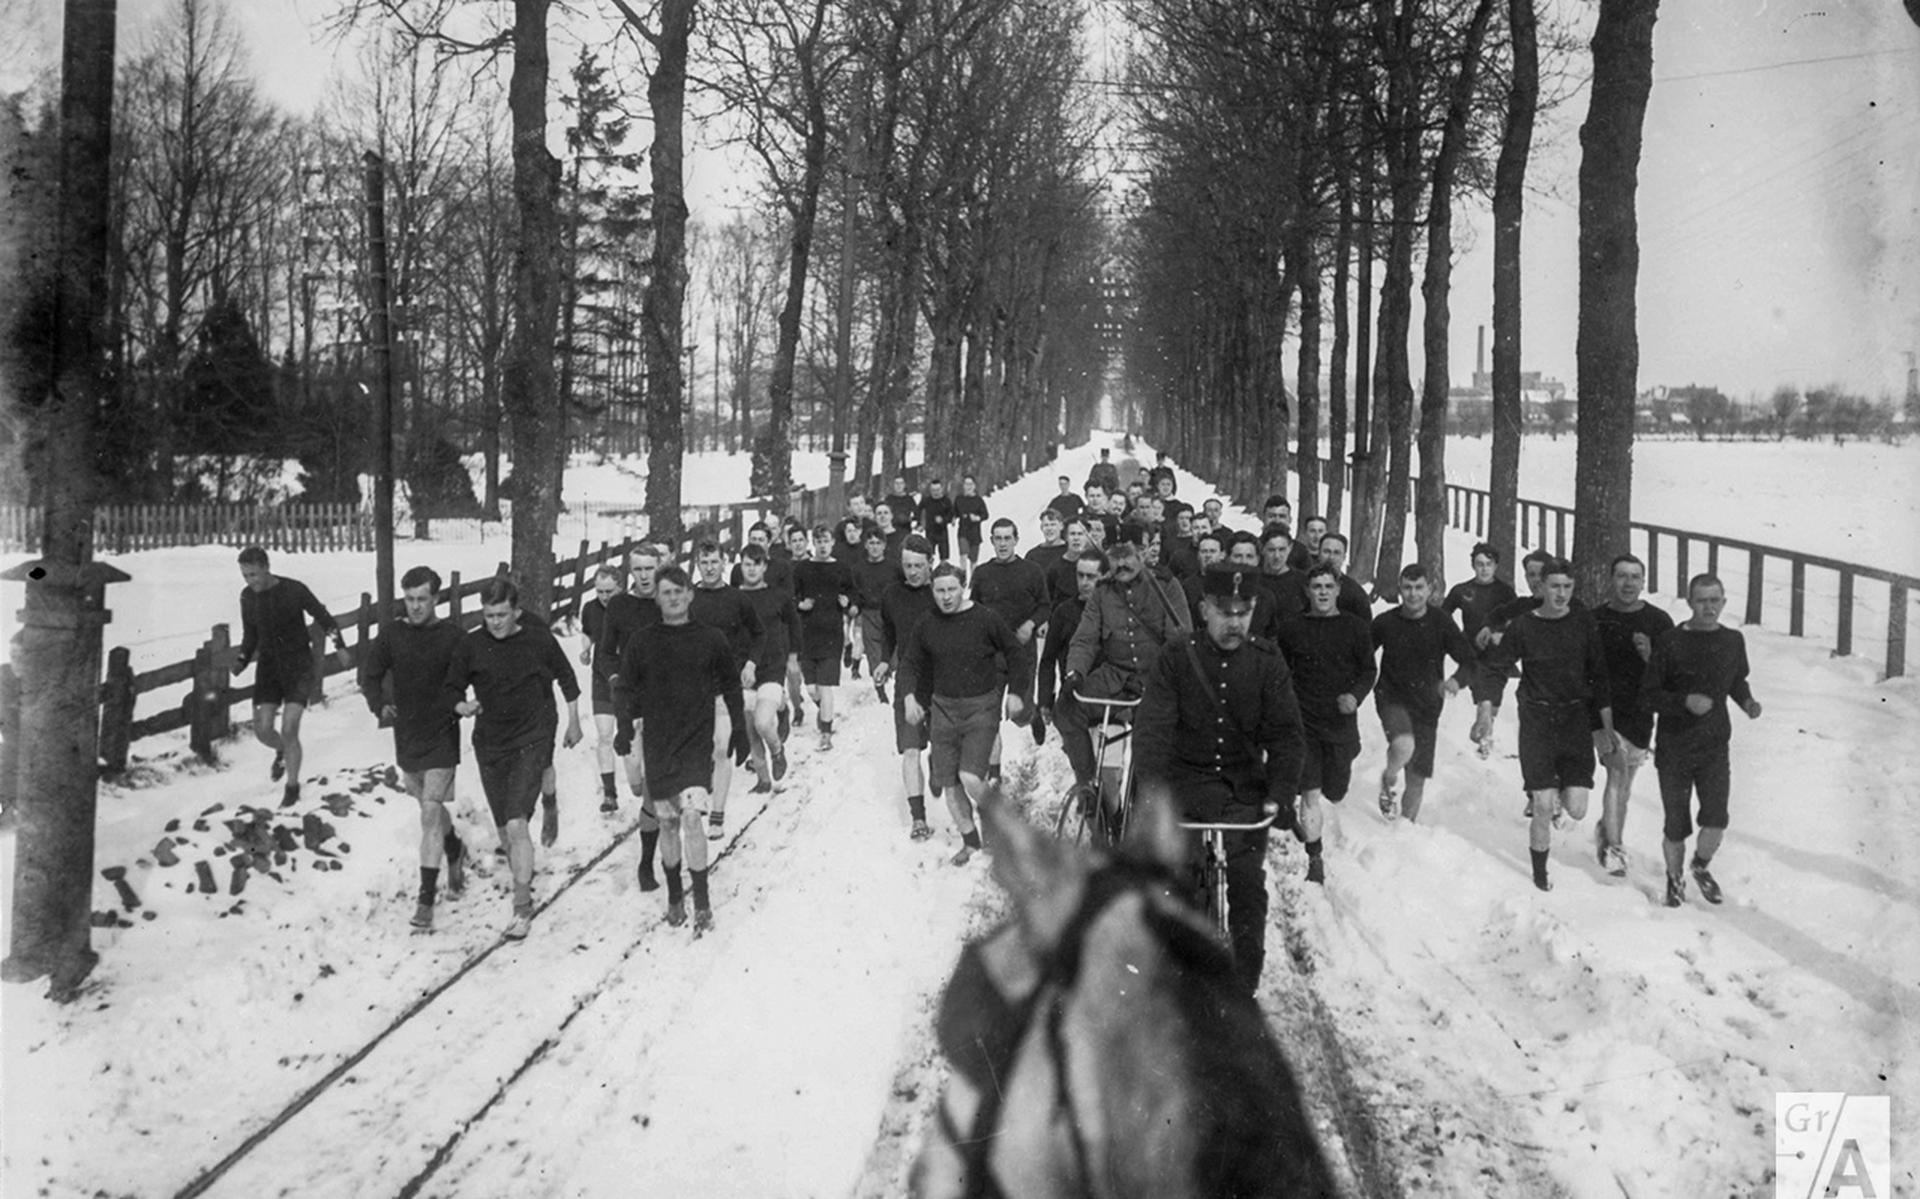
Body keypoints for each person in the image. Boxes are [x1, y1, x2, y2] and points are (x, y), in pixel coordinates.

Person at [1134, 567, 1305, 995]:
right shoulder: (1176, 657)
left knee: (1248, 883)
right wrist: (1153, 791)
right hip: (1186, 784)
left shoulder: (1267, 661)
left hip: (1243, 788)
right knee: (1181, 882)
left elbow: (1286, 734)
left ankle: (1244, 984)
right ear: (1203, 609)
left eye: (1243, 612)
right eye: (1225, 612)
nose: (1235, 623)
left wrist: (1281, 792)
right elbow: (1153, 730)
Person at [445, 577, 584, 940]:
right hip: (491, 744)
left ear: (517, 611)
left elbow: (567, 678)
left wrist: (573, 721)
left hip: (532, 737)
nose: (495, 622)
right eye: (489, 615)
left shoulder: (537, 639)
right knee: (507, 831)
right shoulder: (470, 644)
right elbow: (451, 688)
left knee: (517, 823)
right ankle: (524, 867)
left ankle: (522, 907)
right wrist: (463, 705)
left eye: (502, 615)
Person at [614, 565, 750, 931]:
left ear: (690, 594)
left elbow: (732, 686)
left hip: (695, 741)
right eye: (666, 592)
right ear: (656, 598)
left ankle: (702, 900)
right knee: (669, 823)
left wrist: (738, 728)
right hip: (659, 743)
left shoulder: (711, 638)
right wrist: (624, 726)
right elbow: (625, 686)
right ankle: (675, 893)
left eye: (679, 591)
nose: (673, 598)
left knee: (691, 819)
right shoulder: (643, 641)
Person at [1484, 557, 1616, 893]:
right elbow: (1496, 668)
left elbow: (1600, 675)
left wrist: (1605, 727)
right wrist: (1486, 709)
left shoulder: (1583, 622)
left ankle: (1558, 793)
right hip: (1538, 720)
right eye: (1554, 586)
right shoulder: (1525, 625)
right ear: (1541, 587)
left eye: (1567, 587)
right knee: (1542, 805)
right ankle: (1540, 870)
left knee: (1577, 808)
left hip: (1574, 720)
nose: (1561, 593)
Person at [358, 565, 468, 932]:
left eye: (423, 599)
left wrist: (462, 703)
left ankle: (425, 900)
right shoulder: (392, 634)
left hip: (442, 732)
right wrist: (379, 704)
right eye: (409, 599)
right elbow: (369, 674)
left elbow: (468, 677)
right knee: (428, 810)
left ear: (435, 599)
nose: (416, 607)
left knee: (429, 812)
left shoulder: (452, 636)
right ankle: (453, 847)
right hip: (408, 734)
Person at [1641, 573, 1760, 908]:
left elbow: (1736, 680)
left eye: (1715, 600)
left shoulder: (1733, 640)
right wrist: (1684, 702)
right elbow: (1647, 695)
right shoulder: (1670, 640)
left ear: (1723, 602)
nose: (1709, 607)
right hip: (1675, 747)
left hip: (1714, 746)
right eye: (1702, 600)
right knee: (1676, 824)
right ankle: (1675, 879)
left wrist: (1747, 702)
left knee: (1716, 819)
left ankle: (1700, 866)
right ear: (1690, 603)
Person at [1056, 530, 1193, 818]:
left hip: (1157, 680)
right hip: (1114, 676)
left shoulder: (1167, 587)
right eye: (1115, 556)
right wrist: (1075, 673)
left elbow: (1180, 643)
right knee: (1066, 709)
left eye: (1129, 554)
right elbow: (1085, 638)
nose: (1122, 563)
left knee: (1154, 754)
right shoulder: (1103, 591)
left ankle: (1145, 812)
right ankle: (1089, 788)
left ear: (1144, 552)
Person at [900, 563, 1025, 865]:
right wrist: (908, 698)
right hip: (943, 708)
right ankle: (971, 841)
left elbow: (1016, 653)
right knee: (949, 784)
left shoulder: (985, 619)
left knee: (969, 776)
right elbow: (910, 663)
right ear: (932, 590)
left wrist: (1017, 692)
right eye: (940, 590)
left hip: (981, 706)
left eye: (951, 590)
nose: (945, 597)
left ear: (963, 588)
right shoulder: (927, 623)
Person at [1272, 563, 1376, 885]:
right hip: (1303, 722)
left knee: (1336, 789)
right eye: (1316, 587)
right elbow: (1278, 670)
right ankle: (1314, 857)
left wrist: (1355, 697)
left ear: (1338, 589)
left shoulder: (1355, 627)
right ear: (1308, 591)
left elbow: (1368, 670)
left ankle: (1334, 779)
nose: (1322, 593)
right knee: (1311, 794)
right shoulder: (1291, 628)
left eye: (1328, 587)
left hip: (1340, 722)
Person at [232, 546, 350, 806]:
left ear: (266, 567)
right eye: (245, 576)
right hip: (269, 668)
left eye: (254, 574)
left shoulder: (294, 590)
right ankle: (281, 751)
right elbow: (250, 634)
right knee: (263, 730)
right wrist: (242, 659)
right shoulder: (247, 597)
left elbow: (325, 619)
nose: (251, 581)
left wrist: (339, 646)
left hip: (298, 666)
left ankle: (292, 786)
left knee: (289, 728)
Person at [1370, 564, 1474, 824]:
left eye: (1419, 588)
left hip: (1427, 705)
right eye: (1407, 587)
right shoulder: (1385, 622)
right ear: (1399, 589)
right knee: (1404, 745)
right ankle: (1390, 776)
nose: (1413, 594)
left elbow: (1469, 662)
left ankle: (1405, 827)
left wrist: (1456, 681)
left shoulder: (1441, 623)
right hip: (1391, 697)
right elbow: (1358, 656)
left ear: (1430, 589)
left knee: (1417, 777)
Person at [1591, 553, 1674, 876]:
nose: (1628, 583)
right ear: (1611, 580)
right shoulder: (1595, 618)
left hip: (1640, 714)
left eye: (1634, 577)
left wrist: (1649, 655)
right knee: (1617, 773)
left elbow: (1671, 675)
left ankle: (1605, 829)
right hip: (1604, 712)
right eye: (1622, 576)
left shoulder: (1659, 621)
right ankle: (1614, 847)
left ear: (1643, 581)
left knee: (1625, 784)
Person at [690, 540, 767, 837]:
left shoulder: (737, 599)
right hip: (694, 685)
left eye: (714, 562)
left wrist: (750, 664)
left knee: (722, 746)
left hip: (727, 682)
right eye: (704, 562)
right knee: (702, 748)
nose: (710, 568)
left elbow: (759, 634)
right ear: (697, 565)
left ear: (724, 563)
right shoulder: (689, 597)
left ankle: (717, 814)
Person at [875, 537, 942, 839]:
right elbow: (888, 633)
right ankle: (918, 818)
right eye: (906, 566)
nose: (912, 572)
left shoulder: (941, 592)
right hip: (908, 679)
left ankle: (939, 763)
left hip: (942, 677)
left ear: (931, 561)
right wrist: (883, 662)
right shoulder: (891, 594)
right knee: (911, 748)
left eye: (918, 565)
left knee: (942, 745)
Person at [578, 565, 653, 813]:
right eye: (599, 591)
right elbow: (588, 632)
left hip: (630, 681)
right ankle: (609, 792)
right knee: (604, 735)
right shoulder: (590, 608)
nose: (604, 596)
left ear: (620, 587)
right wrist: (586, 648)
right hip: (602, 678)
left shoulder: (629, 607)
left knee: (633, 736)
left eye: (609, 591)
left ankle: (643, 783)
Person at [970, 518, 1051, 738]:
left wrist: (1030, 624)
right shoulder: (982, 573)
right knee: (988, 715)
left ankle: (1031, 715)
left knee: (1018, 712)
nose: (1003, 544)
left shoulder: (1031, 571)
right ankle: (993, 770)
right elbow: (972, 610)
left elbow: (1045, 606)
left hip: (1022, 652)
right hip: (991, 655)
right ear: (992, 541)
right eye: (998, 539)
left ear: (1016, 540)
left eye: (1008, 538)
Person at [1442, 542, 1520, 759]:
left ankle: (1485, 727)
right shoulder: (1462, 590)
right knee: (1484, 696)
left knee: (1491, 699)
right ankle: (1484, 733)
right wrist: (1456, 637)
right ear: (1473, 565)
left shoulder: (1505, 592)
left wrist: (1501, 634)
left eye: (1488, 564)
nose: (1484, 569)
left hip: (1498, 651)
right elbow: (1443, 615)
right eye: (1479, 564)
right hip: (1472, 651)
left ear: (1496, 566)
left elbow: (1517, 620)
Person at [735, 544, 803, 793]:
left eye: (756, 564)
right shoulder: (735, 598)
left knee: (763, 723)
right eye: (746, 564)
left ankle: (777, 750)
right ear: (741, 566)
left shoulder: (778, 596)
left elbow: (794, 625)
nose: (751, 569)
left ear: (765, 566)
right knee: (752, 729)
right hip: (743, 670)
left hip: (772, 666)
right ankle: (763, 780)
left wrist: (793, 656)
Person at [794, 524, 855, 751]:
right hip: (807, 633)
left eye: (826, 540)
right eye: (818, 541)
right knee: (811, 689)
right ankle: (824, 711)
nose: (822, 545)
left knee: (825, 686)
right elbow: (791, 596)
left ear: (832, 543)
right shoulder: (802, 568)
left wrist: (847, 601)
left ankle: (826, 732)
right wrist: (800, 604)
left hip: (831, 633)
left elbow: (853, 592)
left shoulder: (841, 568)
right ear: (814, 543)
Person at [850, 523, 905, 700]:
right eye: (871, 543)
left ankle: (892, 678)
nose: (874, 547)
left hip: (891, 614)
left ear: (884, 545)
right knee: (874, 653)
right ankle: (881, 692)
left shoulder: (894, 567)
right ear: (865, 545)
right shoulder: (858, 568)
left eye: (878, 543)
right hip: (869, 613)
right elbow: (855, 592)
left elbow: (904, 588)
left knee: (893, 653)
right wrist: (854, 605)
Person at [1313, 533, 1373, 619]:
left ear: (1344, 557)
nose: (1331, 557)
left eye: (1336, 553)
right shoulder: (1302, 584)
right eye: (1326, 551)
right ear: (1318, 554)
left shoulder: (1355, 593)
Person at [954, 475, 990, 577]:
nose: (968, 486)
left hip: (975, 533)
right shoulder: (959, 499)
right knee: (963, 555)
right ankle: (963, 578)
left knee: (973, 560)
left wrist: (977, 518)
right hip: (963, 531)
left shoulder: (978, 500)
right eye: (966, 484)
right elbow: (955, 512)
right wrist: (952, 518)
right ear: (963, 486)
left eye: (970, 484)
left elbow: (985, 515)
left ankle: (973, 582)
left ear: (974, 486)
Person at [919, 477, 956, 562]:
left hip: (942, 531)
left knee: (944, 556)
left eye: (937, 490)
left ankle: (942, 572)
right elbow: (918, 511)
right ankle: (929, 573)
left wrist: (943, 520)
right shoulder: (926, 501)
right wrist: (920, 524)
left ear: (941, 489)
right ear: (930, 490)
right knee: (929, 555)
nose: (935, 492)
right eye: (933, 490)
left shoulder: (946, 501)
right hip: (930, 531)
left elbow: (951, 514)